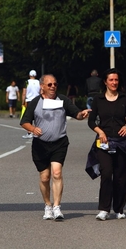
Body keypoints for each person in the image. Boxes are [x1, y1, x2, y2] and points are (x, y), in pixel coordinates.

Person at [20, 74, 91, 221]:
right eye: (49, 84)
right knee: (45, 177)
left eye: (55, 84)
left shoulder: (62, 100)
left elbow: (75, 113)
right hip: (40, 145)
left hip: (59, 143)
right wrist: (33, 129)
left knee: (57, 173)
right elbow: (24, 122)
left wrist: (81, 115)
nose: (53, 87)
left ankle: (57, 207)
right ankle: (48, 205)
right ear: (42, 87)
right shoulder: (35, 102)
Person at [87, 68, 126, 221]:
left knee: (121, 177)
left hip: (121, 142)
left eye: (116, 80)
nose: (114, 82)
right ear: (105, 82)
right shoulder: (98, 99)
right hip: (104, 142)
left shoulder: (124, 98)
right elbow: (91, 121)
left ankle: (119, 208)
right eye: (111, 80)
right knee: (107, 173)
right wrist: (100, 132)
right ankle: (103, 209)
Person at [21, 70, 41, 139]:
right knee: (37, 116)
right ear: (35, 75)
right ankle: (38, 131)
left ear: (29, 75)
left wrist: (23, 101)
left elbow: (24, 92)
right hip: (37, 100)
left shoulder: (27, 82)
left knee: (29, 117)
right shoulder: (39, 82)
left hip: (29, 100)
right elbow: (41, 91)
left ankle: (29, 132)